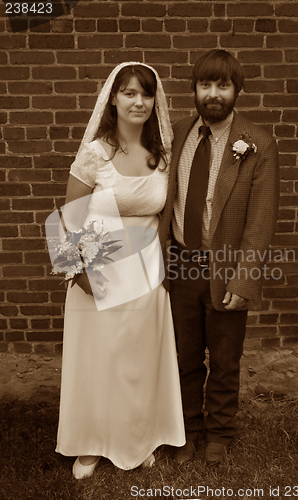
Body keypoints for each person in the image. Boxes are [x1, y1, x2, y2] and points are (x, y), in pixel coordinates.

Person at [54, 62, 185, 479]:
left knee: (137, 361)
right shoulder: (95, 153)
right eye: (129, 92)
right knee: (99, 359)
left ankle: (136, 437)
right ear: (113, 98)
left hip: (147, 274)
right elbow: (69, 215)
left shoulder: (161, 156)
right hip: (99, 273)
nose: (138, 101)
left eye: (146, 94)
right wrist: (77, 271)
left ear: (155, 101)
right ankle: (91, 443)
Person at [159, 49, 280, 463]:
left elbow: (261, 221)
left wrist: (244, 280)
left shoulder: (258, 142)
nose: (213, 94)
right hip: (180, 264)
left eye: (222, 86)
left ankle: (220, 433)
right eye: (205, 85)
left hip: (226, 270)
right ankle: (188, 429)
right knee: (184, 355)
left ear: (236, 90)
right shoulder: (176, 134)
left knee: (225, 360)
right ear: (193, 89)